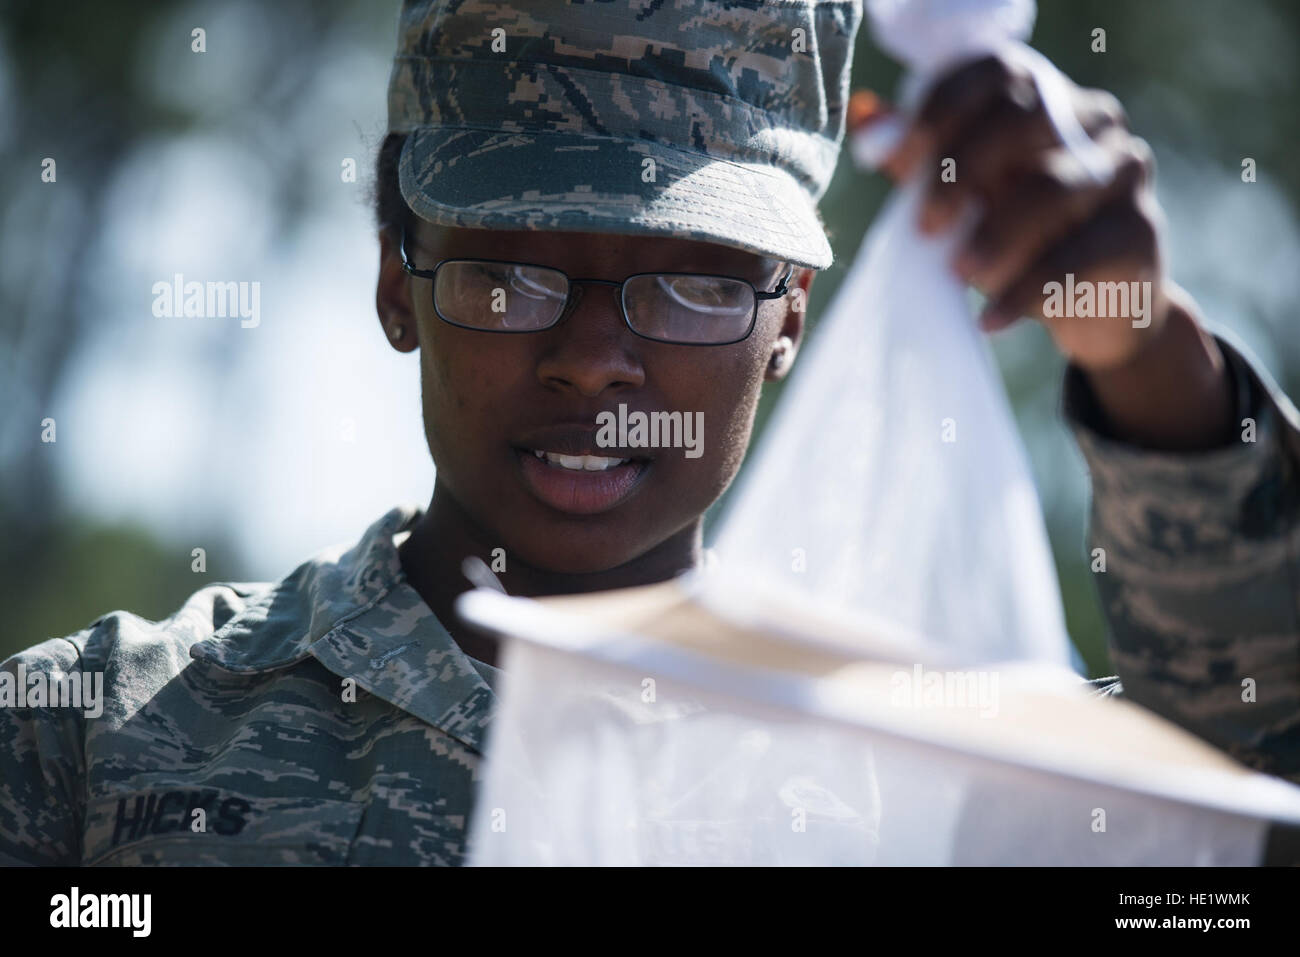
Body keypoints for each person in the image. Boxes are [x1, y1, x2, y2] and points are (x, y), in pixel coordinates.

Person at [2, 0, 1297, 866]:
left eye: (696, 279)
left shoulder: (947, 767)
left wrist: (1146, 358)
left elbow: (1234, 797)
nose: (593, 358)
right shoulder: (90, 743)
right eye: (509, 274)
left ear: (790, 312)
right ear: (398, 279)